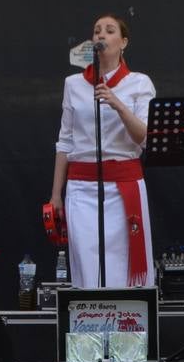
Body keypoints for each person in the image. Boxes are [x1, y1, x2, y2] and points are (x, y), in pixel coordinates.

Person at [49, 14, 156, 289]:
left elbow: (144, 138)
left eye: (109, 31)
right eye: (97, 31)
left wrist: (117, 103)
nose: (101, 35)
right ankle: (90, 328)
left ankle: (127, 329)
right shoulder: (73, 84)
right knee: (86, 260)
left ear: (123, 42)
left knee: (123, 262)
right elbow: (65, 142)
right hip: (81, 187)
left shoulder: (140, 83)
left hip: (124, 184)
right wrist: (55, 195)